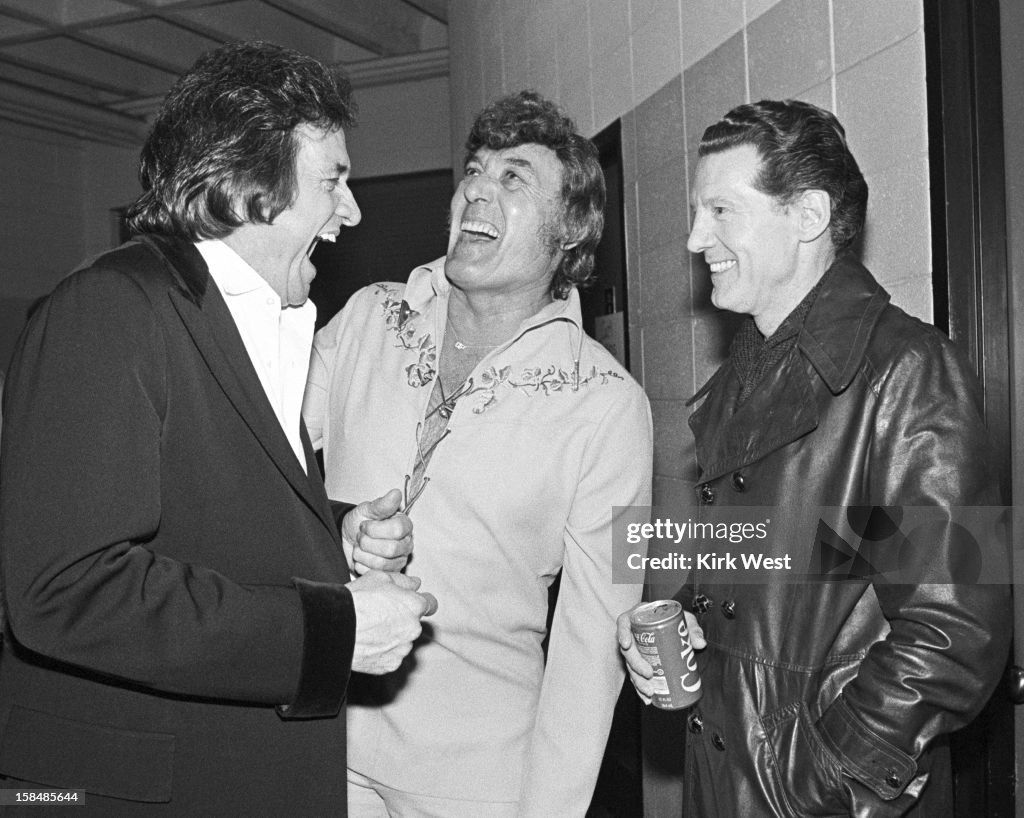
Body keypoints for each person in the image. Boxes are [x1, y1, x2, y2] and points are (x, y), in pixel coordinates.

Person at [0, 41, 437, 816]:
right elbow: (64, 588)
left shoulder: (264, 320)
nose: (352, 211)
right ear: (248, 182)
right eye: (334, 179)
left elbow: (197, 522)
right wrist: (328, 632)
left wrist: (331, 536)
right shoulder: (107, 310)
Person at [617, 99, 1010, 816]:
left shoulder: (906, 371)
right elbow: (781, 577)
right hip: (730, 784)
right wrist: (680, 620)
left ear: (807, 217)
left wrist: (821, 783)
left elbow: (956, 631)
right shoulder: (746, 379)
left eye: (721, 211)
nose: (694, 237)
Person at [304, 90, 653, 817]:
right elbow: (271, 478)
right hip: (318, 743)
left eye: (513, 177)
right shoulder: (369, 315)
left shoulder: (608, 403)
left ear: (570, 231)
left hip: (478, 781)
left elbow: (594, 642)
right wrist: (338, 525)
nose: (477, 188)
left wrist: (549, 809)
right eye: (474, 169)